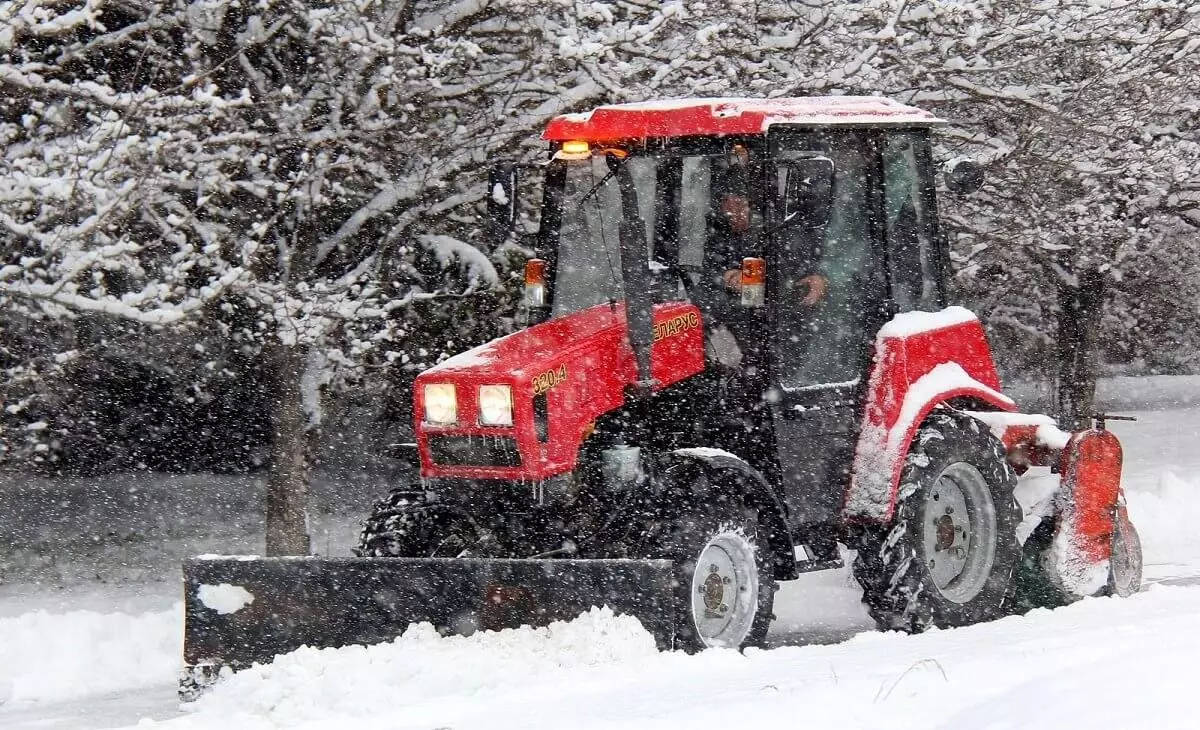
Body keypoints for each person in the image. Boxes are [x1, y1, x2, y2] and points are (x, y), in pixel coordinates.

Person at [712, 144, 828, 305]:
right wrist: (724, 278)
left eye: (738, 203)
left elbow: (809, 272)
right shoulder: (719, 238)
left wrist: (820, 279)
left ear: (755, 206)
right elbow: (702, 286)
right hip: (731, 323)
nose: (730, 209)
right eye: (724, 202)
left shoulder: (786, 234)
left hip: (782, 321)